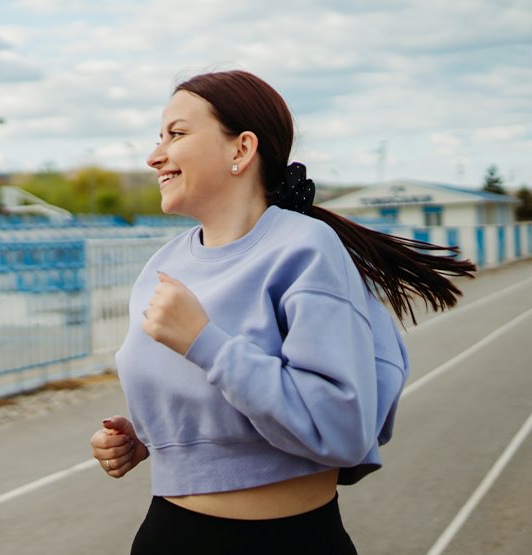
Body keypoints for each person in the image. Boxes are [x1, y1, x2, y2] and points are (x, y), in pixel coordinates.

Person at [90, 70, 475, 553]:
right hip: (171, 536)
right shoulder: (161, 266)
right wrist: (150, 438)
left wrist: (205, 342)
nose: (154, 156)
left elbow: (340, 430)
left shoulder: (306, 248)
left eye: (177, 134)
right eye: (158, 138)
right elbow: (222, 411)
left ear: (241, 148)